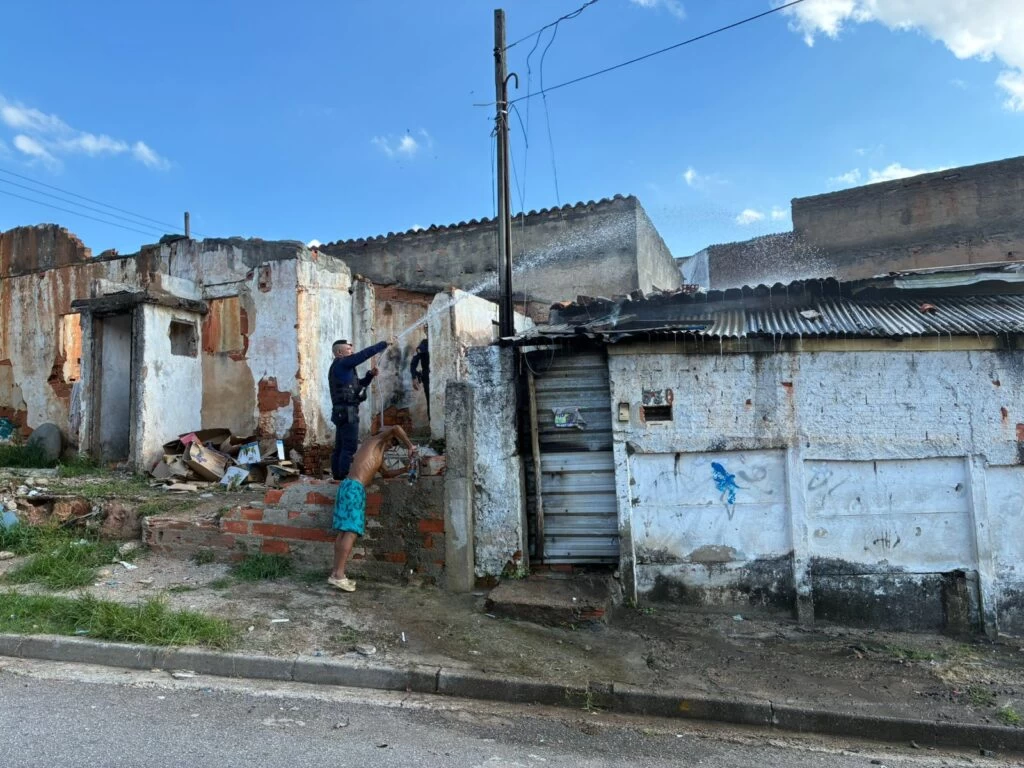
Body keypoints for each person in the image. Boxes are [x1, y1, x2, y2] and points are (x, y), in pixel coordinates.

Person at [329, 425, 417, 592]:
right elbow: (397, 428)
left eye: (395, 444)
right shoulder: (374, 441)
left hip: (350, 487)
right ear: (384, 435)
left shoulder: (377, 454)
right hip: (354, 487)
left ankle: (335, 573)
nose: (392, 444)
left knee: (344, 532)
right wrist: (410, 446)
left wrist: (406, 469)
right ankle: (339, 575)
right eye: (392, 440)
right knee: (350, 531)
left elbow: (386, 474)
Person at [329, 336, 395, 481]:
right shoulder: (342, 363)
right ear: (339, 353)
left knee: (340, 447)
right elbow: (363, 355)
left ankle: (338, 476)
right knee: (349, 447)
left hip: (341, 412)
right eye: (348, 349)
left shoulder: (343, 368)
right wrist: (383, 343)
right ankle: (345, 477)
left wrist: (370, 375)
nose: (352, 352)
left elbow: (358, 386)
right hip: (348, 412)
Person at [409, 335, 430, 422]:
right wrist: (414, 377)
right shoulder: (423, 345)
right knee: (430, 401)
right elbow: (413, 364)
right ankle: (432, 424)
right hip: (427, 377)